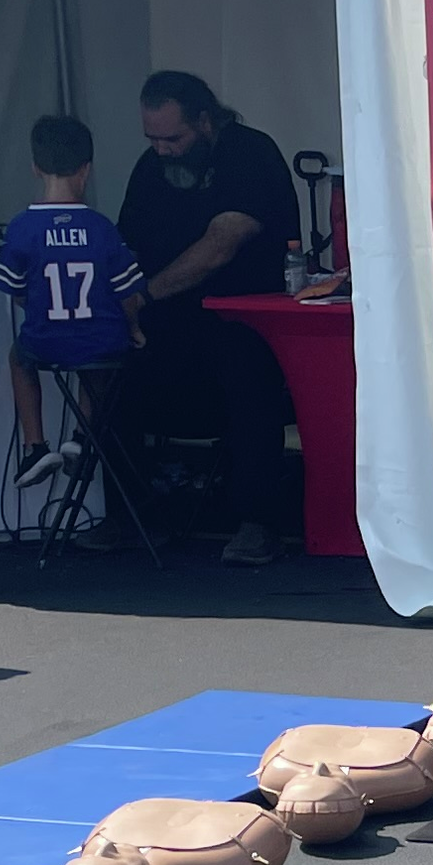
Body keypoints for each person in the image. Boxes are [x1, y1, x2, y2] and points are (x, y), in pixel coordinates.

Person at [114, 71, 299, 565]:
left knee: (247, 370)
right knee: (107, 365)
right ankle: (129, 515)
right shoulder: (150, 167)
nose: (162, 150)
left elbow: (220, 246)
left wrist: (144, 295)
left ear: (205, 120)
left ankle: (258, 522)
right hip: (165, 318)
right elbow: (126, 242)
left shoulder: (249, 154)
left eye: (173, 138)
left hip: (242, 313)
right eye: (152, 139)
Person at [0, 112, 145, 503]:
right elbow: (127, 293)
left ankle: (36, 447)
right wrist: (135, 328)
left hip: (45, 341)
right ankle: (80, 436)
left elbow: (14, 290)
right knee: (100, 360)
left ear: (35, 167)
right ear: (86, 170)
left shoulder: (22, 228)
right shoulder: (101, 228)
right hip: (100, 341)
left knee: (18, 359)